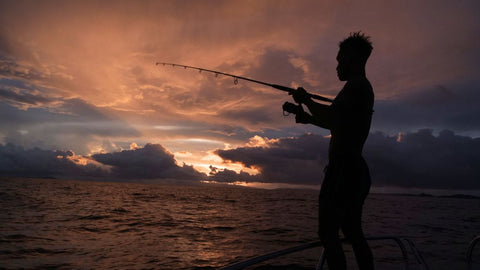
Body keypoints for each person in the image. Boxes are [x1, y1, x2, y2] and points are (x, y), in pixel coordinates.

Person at [290, 32, 375, 270]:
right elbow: (336, 122)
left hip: (343, 171)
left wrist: (306, 99)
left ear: (353, 58)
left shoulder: (357, 86)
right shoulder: (357, 88)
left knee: (327, 233)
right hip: (354, 170)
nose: (337, 66)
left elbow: (333, 116)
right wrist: (307, 118)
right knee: (352, 232)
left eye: (340, 60)